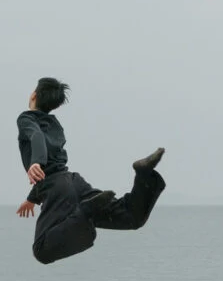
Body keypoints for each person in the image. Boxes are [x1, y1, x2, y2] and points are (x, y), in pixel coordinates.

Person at [16, 77, 165, 265]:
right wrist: (32, 199)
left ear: (34, 95)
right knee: (130, 217)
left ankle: (87, 210)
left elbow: (36, 137)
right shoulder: (55, 125)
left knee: (42, 251)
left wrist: (35, 162)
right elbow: (53, 168)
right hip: (74, 182)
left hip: (58, 188)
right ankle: (144, 175)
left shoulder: (26, 118)